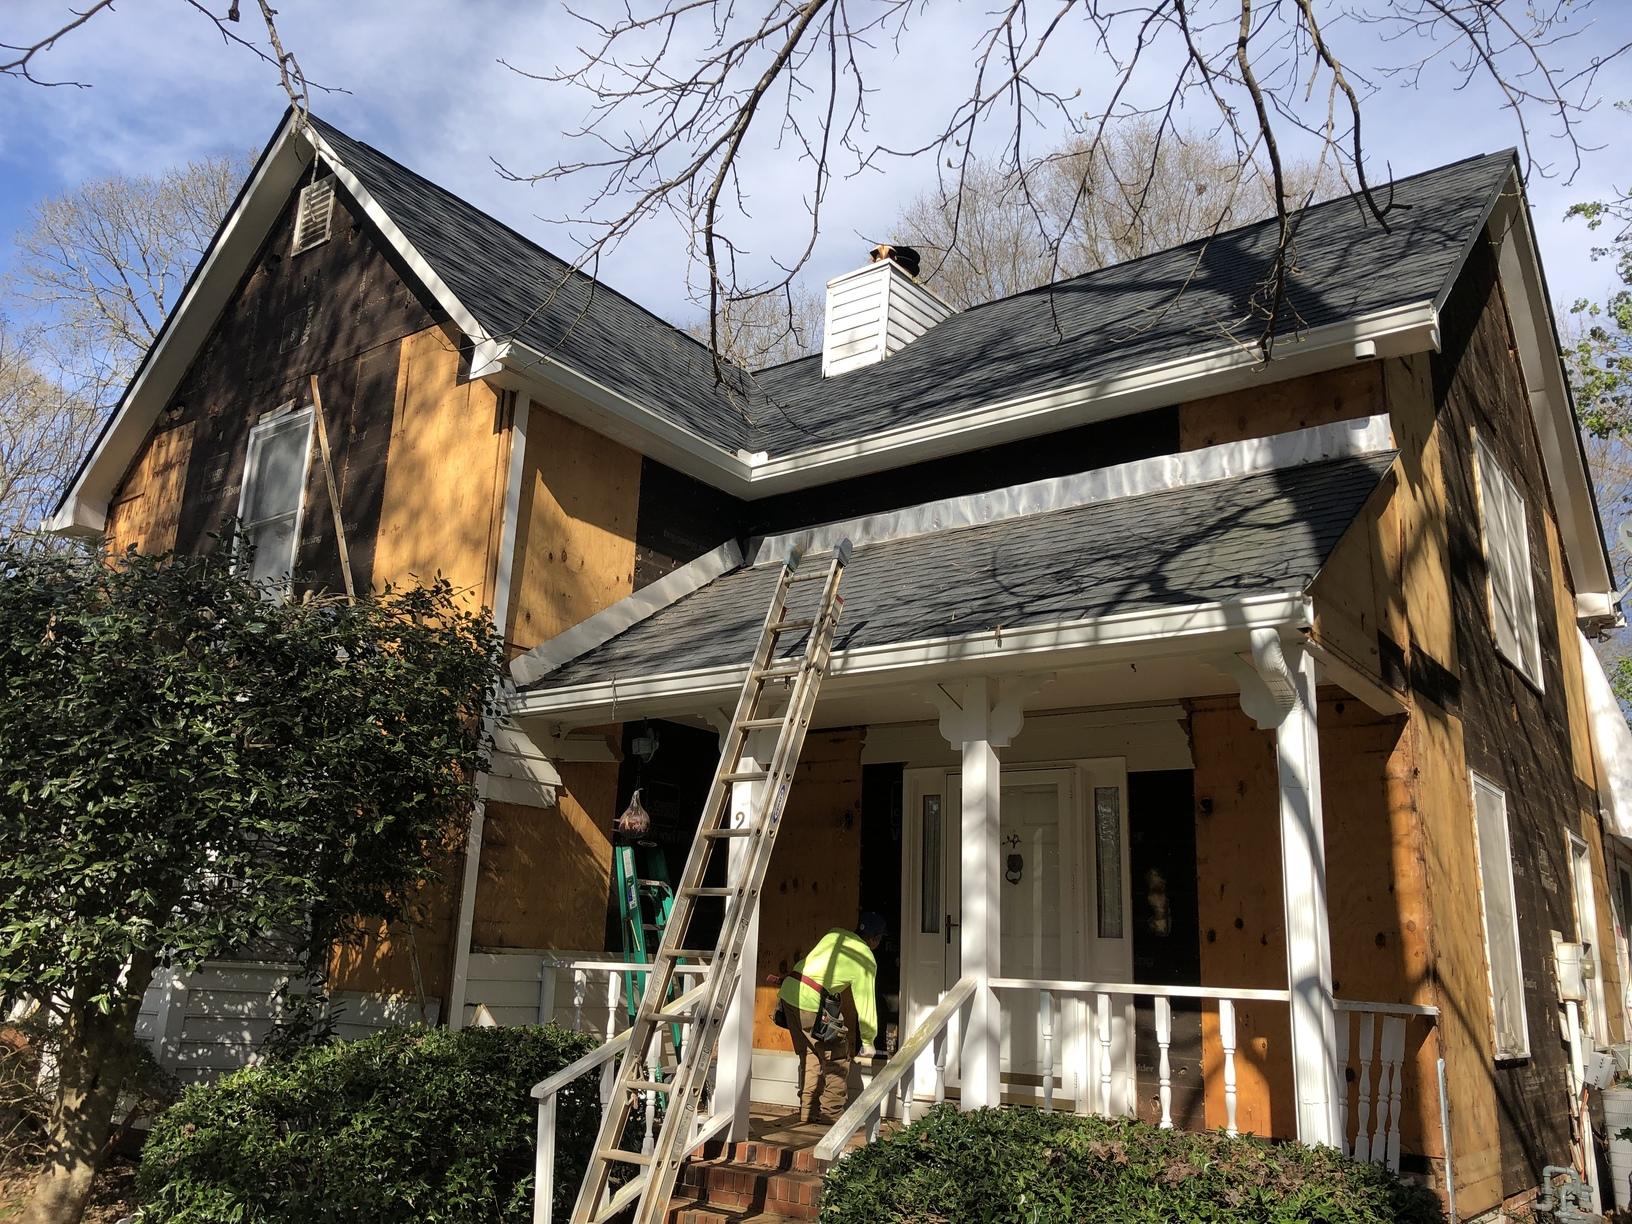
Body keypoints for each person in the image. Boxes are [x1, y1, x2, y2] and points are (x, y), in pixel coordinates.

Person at [777, 912, 885, 1124]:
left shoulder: (834, 934)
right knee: (837, 1059)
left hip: (789, 994)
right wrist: (868, 1040)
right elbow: (865, 1002)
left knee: (810, 1054)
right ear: (875, 939)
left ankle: (808, 1111)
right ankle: (831, 1115)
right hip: (810, 1001)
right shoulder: (865, 958)